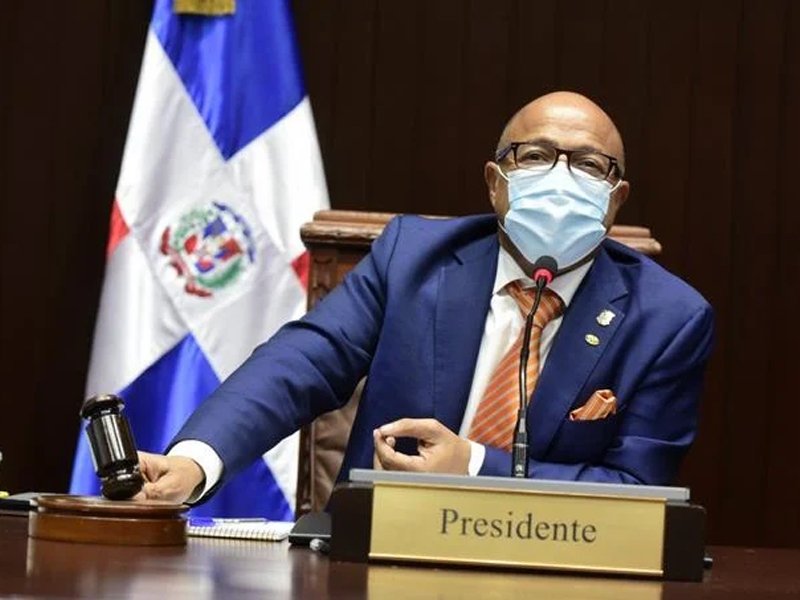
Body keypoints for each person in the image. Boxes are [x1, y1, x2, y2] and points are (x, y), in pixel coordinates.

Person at [137, 91, 714, 504]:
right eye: (536, 156)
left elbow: (638, 489)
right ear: (495, 183)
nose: (560, 177)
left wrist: (474, 466)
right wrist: (196, 460)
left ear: (616, 199)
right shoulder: (412, 257)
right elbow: (302, 363)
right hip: (375, 552)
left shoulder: (669, 319)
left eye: (588, 164)